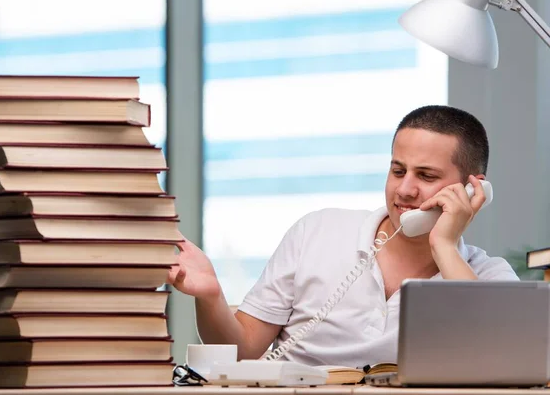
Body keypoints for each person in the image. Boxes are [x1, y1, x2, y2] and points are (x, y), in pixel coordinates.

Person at [168, 105, 518, 368]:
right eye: (398, 170)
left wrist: (443, 246)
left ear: (474, 189)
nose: (405, 189)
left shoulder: (487, 277)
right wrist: (211, 295)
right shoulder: (316, 232)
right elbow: (243, 350)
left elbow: (503, 363)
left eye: (425, 176)